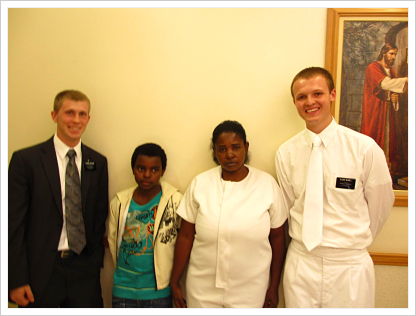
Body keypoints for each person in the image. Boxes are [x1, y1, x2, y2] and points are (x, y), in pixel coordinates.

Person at [275, 67, 394, 307]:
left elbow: (380, 207)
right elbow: (289, 207)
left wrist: (349, 240)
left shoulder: (364, 148)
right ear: (295, 102)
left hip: (349, 266)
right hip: (301, 263)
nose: (310, 102)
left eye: (317, 93)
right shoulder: (285, 153)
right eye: (301, 97)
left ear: (332, 94)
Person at [170, 120, 287, 308]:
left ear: (246, 147)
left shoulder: (267, 185)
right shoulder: (200, 183)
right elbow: (185, 236)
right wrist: (174, 281)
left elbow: (278, 239)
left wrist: (273, 286)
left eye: (236, 147)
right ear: (215, 152)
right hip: (201, 286)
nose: (229, 154)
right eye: (222, 149)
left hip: (252, 289)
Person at [8, 90, 109, 307]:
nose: (76, 120)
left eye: (82, 114)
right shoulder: (26, 161)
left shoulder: (98, 163)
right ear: (54, 115)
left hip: (84, 272)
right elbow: (12, 225)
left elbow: (99, 217)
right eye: (69, 113)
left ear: (88, 119)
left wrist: (94, 263)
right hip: (41, 271)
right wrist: (15, 279)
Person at [107, 143, 182, 308]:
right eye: (141, 168)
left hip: (158, 292)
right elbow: (113, 241)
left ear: (163, 171)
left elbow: (181, 243)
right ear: (133, 169)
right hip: (123, 290)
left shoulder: (174, 201)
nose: (147, 175)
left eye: (154, 170)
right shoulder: (119, 202)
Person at [361, 42, 408, 177]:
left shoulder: (392, 72)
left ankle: (387, 171)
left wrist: (394, 99)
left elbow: (394, 91)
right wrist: (407, 80)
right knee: (375, 138)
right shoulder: (373, 67)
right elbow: (385, 84)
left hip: (388, 113)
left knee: (390, 140)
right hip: (376, 112)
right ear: (383, 53)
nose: (393, 57)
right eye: (391, 53)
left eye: (395, 54)